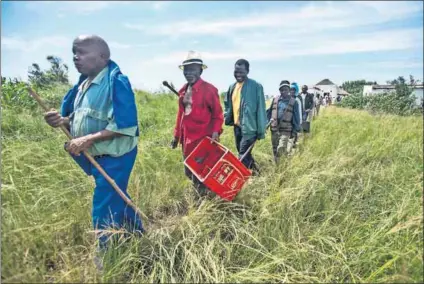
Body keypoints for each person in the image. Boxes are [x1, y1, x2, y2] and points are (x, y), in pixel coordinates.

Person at [43, 35, 143, 267]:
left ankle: (105, 259)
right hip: (95, 154)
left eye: (82, 52)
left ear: (102, 56)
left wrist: (88, 139)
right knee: (117, 195)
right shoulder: (82, 85)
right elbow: (76, 117)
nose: (76, 57)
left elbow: (125, 125)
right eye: (74, 53)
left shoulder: (116, 81)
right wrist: (60, 120)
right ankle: (137, 234)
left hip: (116, 154)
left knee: (104, 203)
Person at [171, 51, 224, 199]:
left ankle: (204, 202)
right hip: (187, 141)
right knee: (188, 172)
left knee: (202, 172)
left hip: (203, 141)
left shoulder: (210, 90)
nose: (189, 73)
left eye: (193, 69)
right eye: (186, 69)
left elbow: (218, 115)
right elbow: (181, 115)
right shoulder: (182, 90)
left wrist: (215, 133)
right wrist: (176, 136)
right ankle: (203, 197)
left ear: (200, 70)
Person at [224, 59, 267, 174]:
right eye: (236, 71)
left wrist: (261, 130)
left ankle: (242, 180)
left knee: (242, 154)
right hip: (237, 127)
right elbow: (227, 105)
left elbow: (261, 109)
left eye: (241, 72)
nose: (238, 74)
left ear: (247, 71)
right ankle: (257, 173)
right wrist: (226, 116)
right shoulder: (232, 87)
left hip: (250, 129)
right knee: (244, 153)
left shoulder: (256, 86)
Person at [266, 80, 301, 164]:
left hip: (286, 130)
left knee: (281, 147)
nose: (283, 91)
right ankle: (278, 165)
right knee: (275, 148)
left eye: (285, 89)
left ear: (289, 90)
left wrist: (295, 131)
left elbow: (296, 118)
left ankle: (281, 164)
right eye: (282, 89)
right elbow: (269, 113)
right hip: (274, 129)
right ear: (279, 90)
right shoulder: (275, 100)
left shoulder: (294, 102)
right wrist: (266, 124)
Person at [290, 82, 303, 149]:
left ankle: (294, 145)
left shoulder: (297, 100)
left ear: (296, 90)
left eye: (293, 90)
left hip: (295, 120)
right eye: (291, 89)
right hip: (288, 120)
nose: (292, 91)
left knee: (294, 133)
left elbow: (300, 111)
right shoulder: (287, 99)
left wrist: (299, 122)